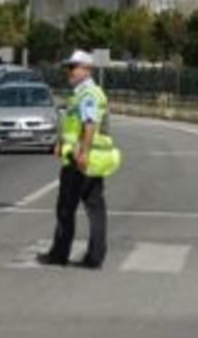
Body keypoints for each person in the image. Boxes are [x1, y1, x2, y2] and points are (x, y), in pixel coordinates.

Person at [37, 50, 121, 270]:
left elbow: (90, 124)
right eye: (69, 67)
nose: (70, 72)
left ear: (87, 69)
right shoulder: (80, 93)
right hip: (86, 159)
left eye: (74, 67)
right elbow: (72, 125)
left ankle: (60, 254)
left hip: (81, 161)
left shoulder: (89, 94)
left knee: (66, 208)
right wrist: (60, 143)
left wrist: (82, 152)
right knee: (95, 208)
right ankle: (95, 257)